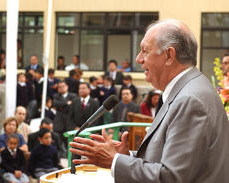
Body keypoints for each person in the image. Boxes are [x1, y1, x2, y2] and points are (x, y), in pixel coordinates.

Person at [69, 19, 229, 183]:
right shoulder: (189, 89)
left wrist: (114, 161)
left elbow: (171, 178)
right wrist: (126, 157)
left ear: (169, 55)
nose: (138, 59)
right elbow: (169, 160)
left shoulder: (189, 100)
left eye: (145, 51)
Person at [52, 81, 76, 146]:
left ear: (67, 87)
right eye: (59, 87)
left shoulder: (73, 96)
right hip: (59, 123)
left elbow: (72, 106)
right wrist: (66, 103)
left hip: (69, 123)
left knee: (69, 144)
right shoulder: (56, 96)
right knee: (58, 143)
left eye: (63, 86)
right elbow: (55, 104)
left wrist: (61, 106)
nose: (61, 88)